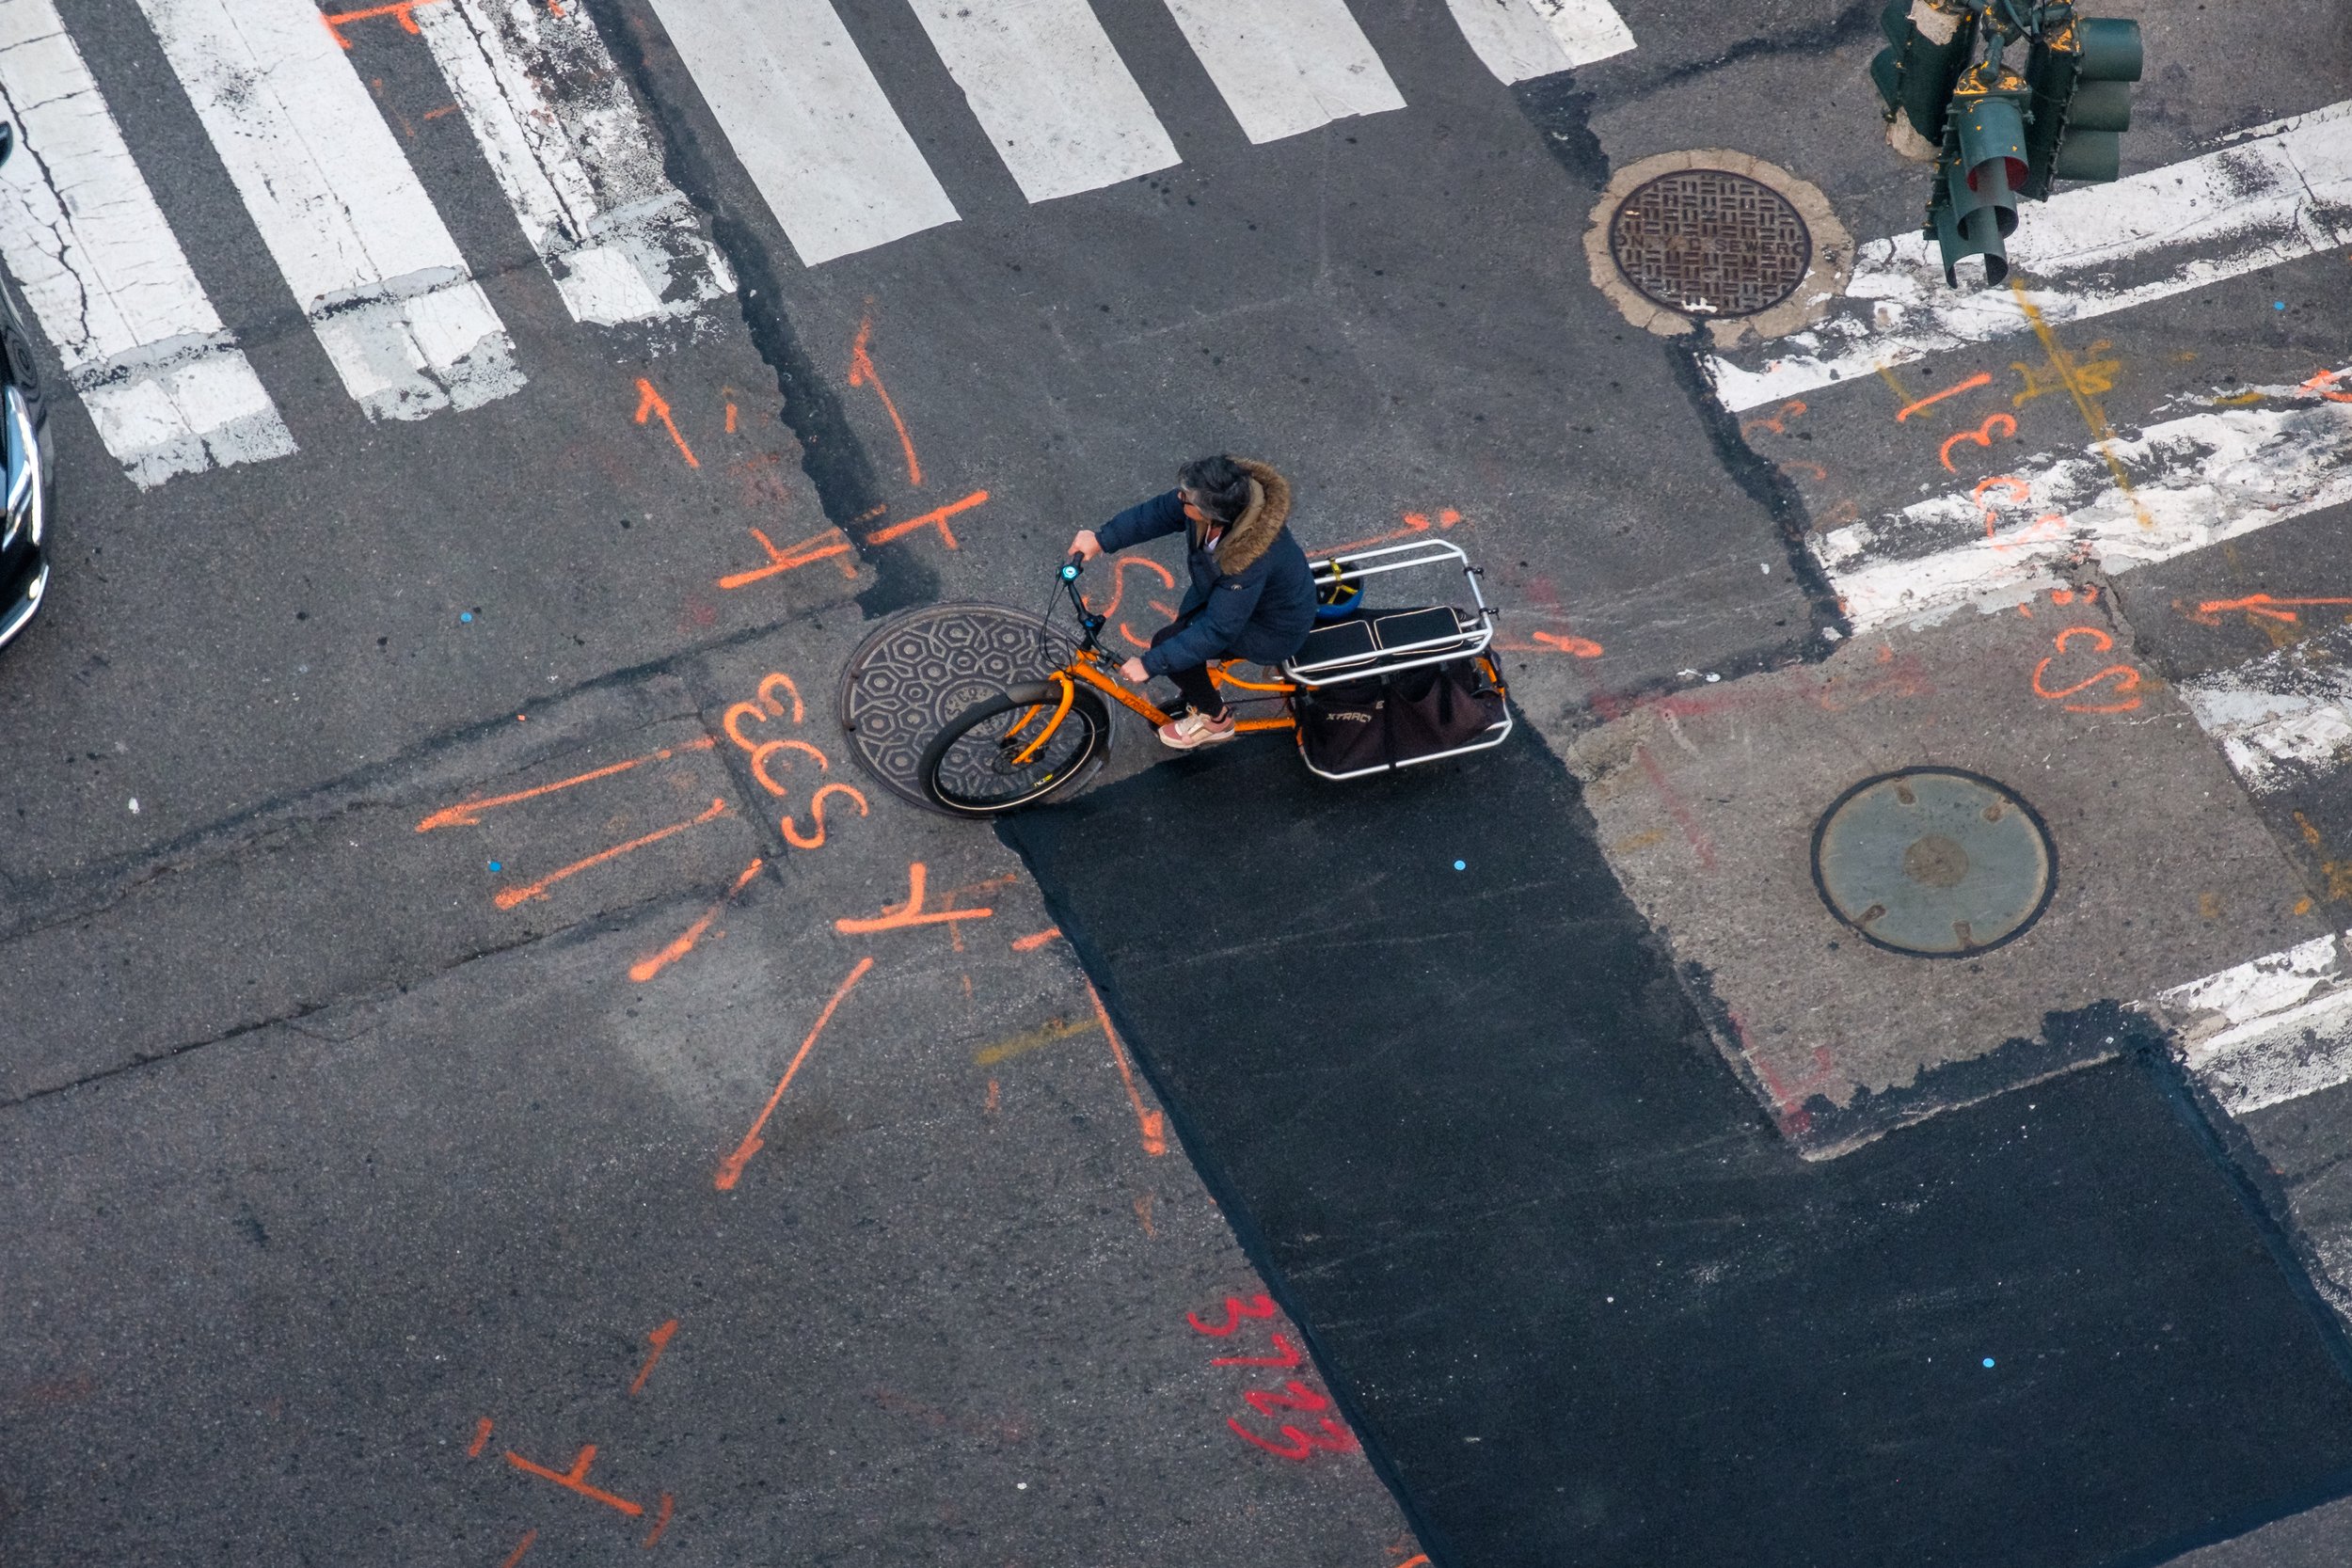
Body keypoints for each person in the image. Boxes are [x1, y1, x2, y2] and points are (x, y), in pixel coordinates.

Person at [1069, 455, 1319, 750]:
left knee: (1169, 645)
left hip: (1272, 626)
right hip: (1230, 597)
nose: (1179, 498)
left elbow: (1218, 630)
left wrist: (1150, 665)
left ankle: (1217, 721)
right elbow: (1160, 512)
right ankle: (1198, 692)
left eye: (1186, 499)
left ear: (1211, 515)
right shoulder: (1220, 501)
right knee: (1182, 643)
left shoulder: (1250, 560)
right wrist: (1102, 539)